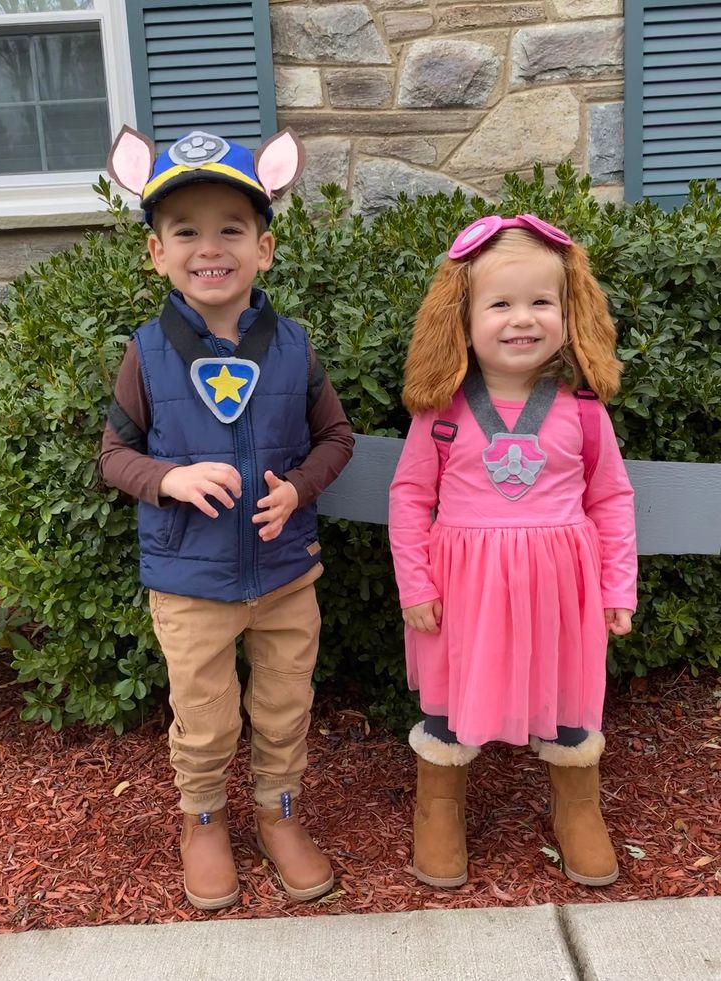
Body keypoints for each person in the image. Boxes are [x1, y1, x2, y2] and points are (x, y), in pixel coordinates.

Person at [99, 125, 354, 910]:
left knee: (285, 706)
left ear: (265, 248)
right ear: (157, 254)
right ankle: (201, 819)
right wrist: (170, 477)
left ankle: (279, 812)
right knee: (204, 718)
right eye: (187, 231)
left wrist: (299, 489)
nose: (211, 247)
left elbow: (335, 438)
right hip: (190, 583)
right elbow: (114, 455)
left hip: (284, 573)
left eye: (231, 230)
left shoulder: (294, 347)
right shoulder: (146, 351)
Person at [388, 214, 637, 890]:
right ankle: (438, 805)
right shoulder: (439, 411)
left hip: (563, 590)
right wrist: (415, 584)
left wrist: (619, 589)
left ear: (569, 309)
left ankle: (576, 806)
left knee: (567, 694)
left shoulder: (583, 410)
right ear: (462, 317)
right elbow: (410, 498)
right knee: (451, 692)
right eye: (500, 303)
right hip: (463, 590)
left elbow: (611, 499)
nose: (521, 319)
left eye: (540, 302)